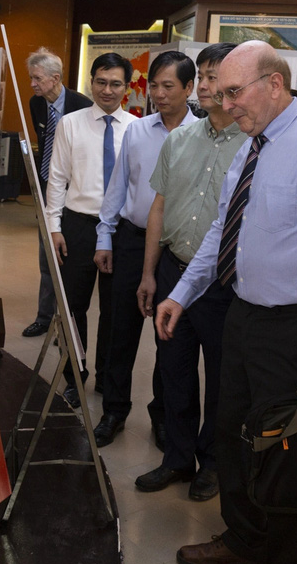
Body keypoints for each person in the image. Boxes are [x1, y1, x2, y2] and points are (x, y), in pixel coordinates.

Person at [156, 40, 297, 564]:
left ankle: (282, 561)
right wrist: (181, 293)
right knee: (232, 434)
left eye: (234, 92)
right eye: (222, 93)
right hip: (244, 314)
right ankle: (245, 537)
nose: (226, 104)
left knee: (286, 447)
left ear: (274, 84)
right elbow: (224, 230)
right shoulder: (253, 145)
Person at [135, 42, 244, 501]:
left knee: (221, 380)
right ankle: (177, 459)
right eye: (201, 74)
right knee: (173, 372)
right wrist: (148, 274)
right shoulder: (179, 140)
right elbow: (158, 207)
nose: (203, 84)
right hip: (176, 274)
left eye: (214, 75)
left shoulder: (253, 144)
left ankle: (212, 464)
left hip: (225, 283)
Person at [93, 50, 198, 446]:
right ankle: (114, 411)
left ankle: (162, 416)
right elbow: (117, 187)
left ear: (189, 88)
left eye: (168, 86)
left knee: (167, 338)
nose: (159, 94)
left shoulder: (201, 136)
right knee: (120, 332)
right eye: (153, 85)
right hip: (132, 241)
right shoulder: (137, 130)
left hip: (175, 249)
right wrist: (105, 236)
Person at [46, 52, 137, 407]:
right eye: (101, 82)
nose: (107, 90)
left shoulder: (137, 127)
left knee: (116, 313)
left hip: (120, 230)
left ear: (126, 88)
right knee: (72, 308)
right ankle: (75, 375)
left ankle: (107, 378)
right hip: (78, 226)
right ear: (91, 82)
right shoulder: (71, 123)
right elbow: (57, 179)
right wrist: (55, 227)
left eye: (115, 84)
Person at [23, 48, 93, 339]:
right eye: (31, 78)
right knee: (46, 257)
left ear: (55, 78)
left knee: (70, 262)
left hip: (74, 193)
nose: (32, 84)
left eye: (37, 78)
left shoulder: (82, 106)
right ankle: (44, 317)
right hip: (46, 188)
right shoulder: (36, 104)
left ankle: (66, 326)